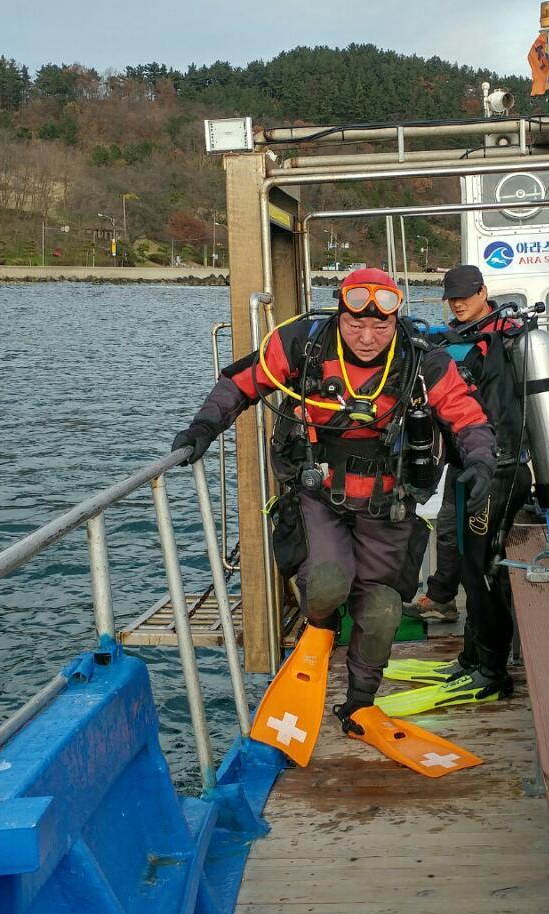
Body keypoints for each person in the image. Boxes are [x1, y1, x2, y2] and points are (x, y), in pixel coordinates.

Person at [171, 267, 497, 726]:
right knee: (326, 585)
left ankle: (360, 702)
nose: (367, 338)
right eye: (355, 324)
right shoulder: (305, 344)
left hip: (389, 503)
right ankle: (320, 630)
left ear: (396, 320)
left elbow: (467, 416)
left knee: (382, 611)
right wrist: (203, 427)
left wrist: (481, 461)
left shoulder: (422, 359)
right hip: (319, 495)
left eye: (380, 326)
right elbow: (240, 383)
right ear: (339, 315)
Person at [380, 264, 532, 714]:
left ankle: (492, 671)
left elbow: (497, 409)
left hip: (500, 469)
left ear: (484, 292)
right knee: (468, 565)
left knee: (484, 571)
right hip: (469, 467)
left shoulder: (503, 338)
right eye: (452, 297)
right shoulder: (454, 338)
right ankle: (471, 659)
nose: (458, 303)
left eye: (465, 295)